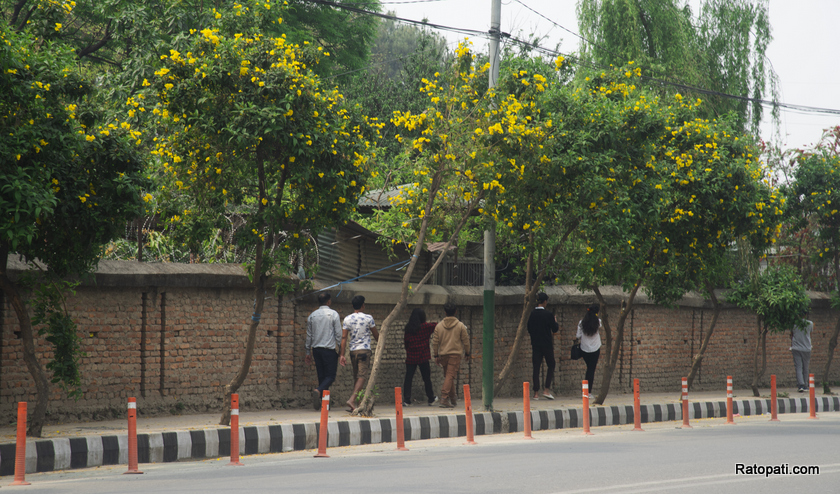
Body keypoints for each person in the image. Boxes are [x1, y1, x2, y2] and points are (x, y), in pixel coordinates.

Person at [305, 292, 344, 410]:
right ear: (328, 301)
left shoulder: (312, 316)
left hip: (316, 350)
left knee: (322, 376)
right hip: (329, 350)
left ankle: (324, 404)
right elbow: (338, 334)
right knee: (330, 376)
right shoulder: (333, 314)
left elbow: (309, 336)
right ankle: (318, 391)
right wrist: (341, 349)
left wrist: (308, 352)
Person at [339, 295, 378, 412]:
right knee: (362, 377)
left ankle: (358, 404)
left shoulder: (347, 319)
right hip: (364, 351)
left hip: (353, 352)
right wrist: (382, 344)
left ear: (352, 306)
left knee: (357, 377)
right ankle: (352, 399)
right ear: (363, 306)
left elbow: (344, 337)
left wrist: (342, 355)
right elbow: (376, 335)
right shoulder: (368, 318)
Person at [431, 302, 470, 408]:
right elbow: (466, 341)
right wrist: (467, 352)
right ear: (456, 312)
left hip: (443, 355)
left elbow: (435, 342)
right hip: (455, 355)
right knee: (450, 376)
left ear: (445, 312)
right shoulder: (460, 326)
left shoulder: (439, 326)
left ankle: (453, 398)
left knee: (449, 376)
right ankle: (444, 398)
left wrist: (436, 355)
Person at [402, 308, 439, 406]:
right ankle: (431, 398)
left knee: (408, 378)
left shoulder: (408, 328)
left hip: (411, 356)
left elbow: (406, 343)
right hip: (423, 356)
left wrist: (409, 351)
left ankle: (406, 400)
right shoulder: (425, 327)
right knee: (426, 378)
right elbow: (436, 325)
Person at [527, 292, 559, 400]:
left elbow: (529, 328)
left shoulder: (532, 314)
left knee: (536, 367)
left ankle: (536, 393)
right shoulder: (548, 314)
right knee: (551, 364)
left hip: (536, 344)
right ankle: (546, 389)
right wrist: (555, 321)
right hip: (547, 344)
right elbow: (555, 329)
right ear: (545, 302)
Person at [576, 304, 602, 398]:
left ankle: (586, 391)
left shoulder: (581, 323)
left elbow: (578, 336)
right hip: (595, 349)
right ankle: (588, 392)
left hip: (584, 349)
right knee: (591, 370)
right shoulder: (598, 322)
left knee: (589, 369)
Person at [791, 311, 813, 392]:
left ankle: (801, 384)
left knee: (798, 367)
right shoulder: (810, 323)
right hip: (807, 348)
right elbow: (810, 335)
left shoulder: (794, 324)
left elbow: (792, 334)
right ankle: (805, 385)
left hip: (796, 348)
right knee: (805, 367)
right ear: (806, 315)